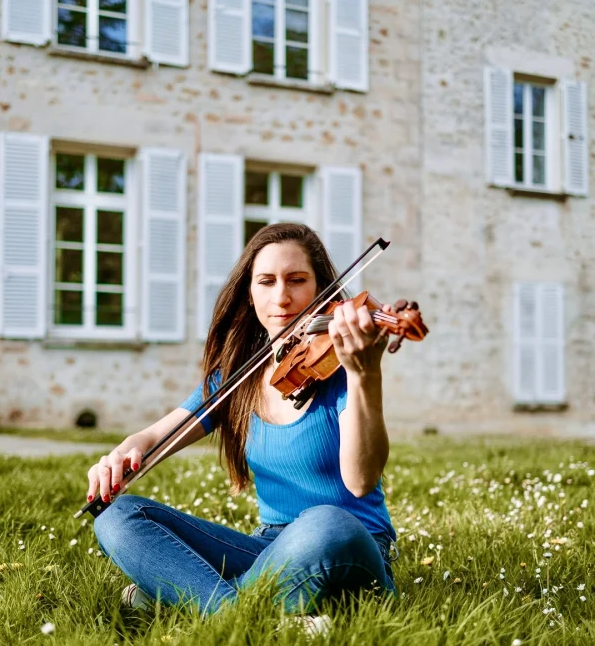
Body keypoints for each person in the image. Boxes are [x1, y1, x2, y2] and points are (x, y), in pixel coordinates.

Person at [90, 223, 399, 623]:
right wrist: (121, 455)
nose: (282, 297)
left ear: (322, 289)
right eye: (266, 282)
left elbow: (360, 480)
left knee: (328, 521)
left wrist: (364, 375)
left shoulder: (342, 369)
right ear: (250, 295)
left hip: (347, 546)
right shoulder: (237, 378)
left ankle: (190, 598)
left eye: (297, 280)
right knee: (120, 517)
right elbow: (153, 436)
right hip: (270, 548)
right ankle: (245, 615)